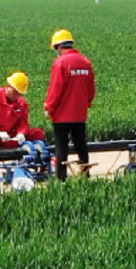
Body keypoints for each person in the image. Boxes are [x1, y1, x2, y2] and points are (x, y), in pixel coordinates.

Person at [44, 29, 95, 180]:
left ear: (59, 47)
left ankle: (61, 179)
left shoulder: (61, 63)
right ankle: (85, 175)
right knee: (81, 145)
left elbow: (56, 89)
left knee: (61, 147)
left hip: (62, 115)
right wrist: (85, 103)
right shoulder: (85, 62)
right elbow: (91, 89)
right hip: (80, 114)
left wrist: (49, 107)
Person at [0, 71, 45, 152]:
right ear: (9, 86)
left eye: (19, 93)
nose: (17, 96)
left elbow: (23, 123)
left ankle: (38, 155)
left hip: (10, 137)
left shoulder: (22, 103)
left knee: (37, 133)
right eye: (15, 92)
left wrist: (21, 133)